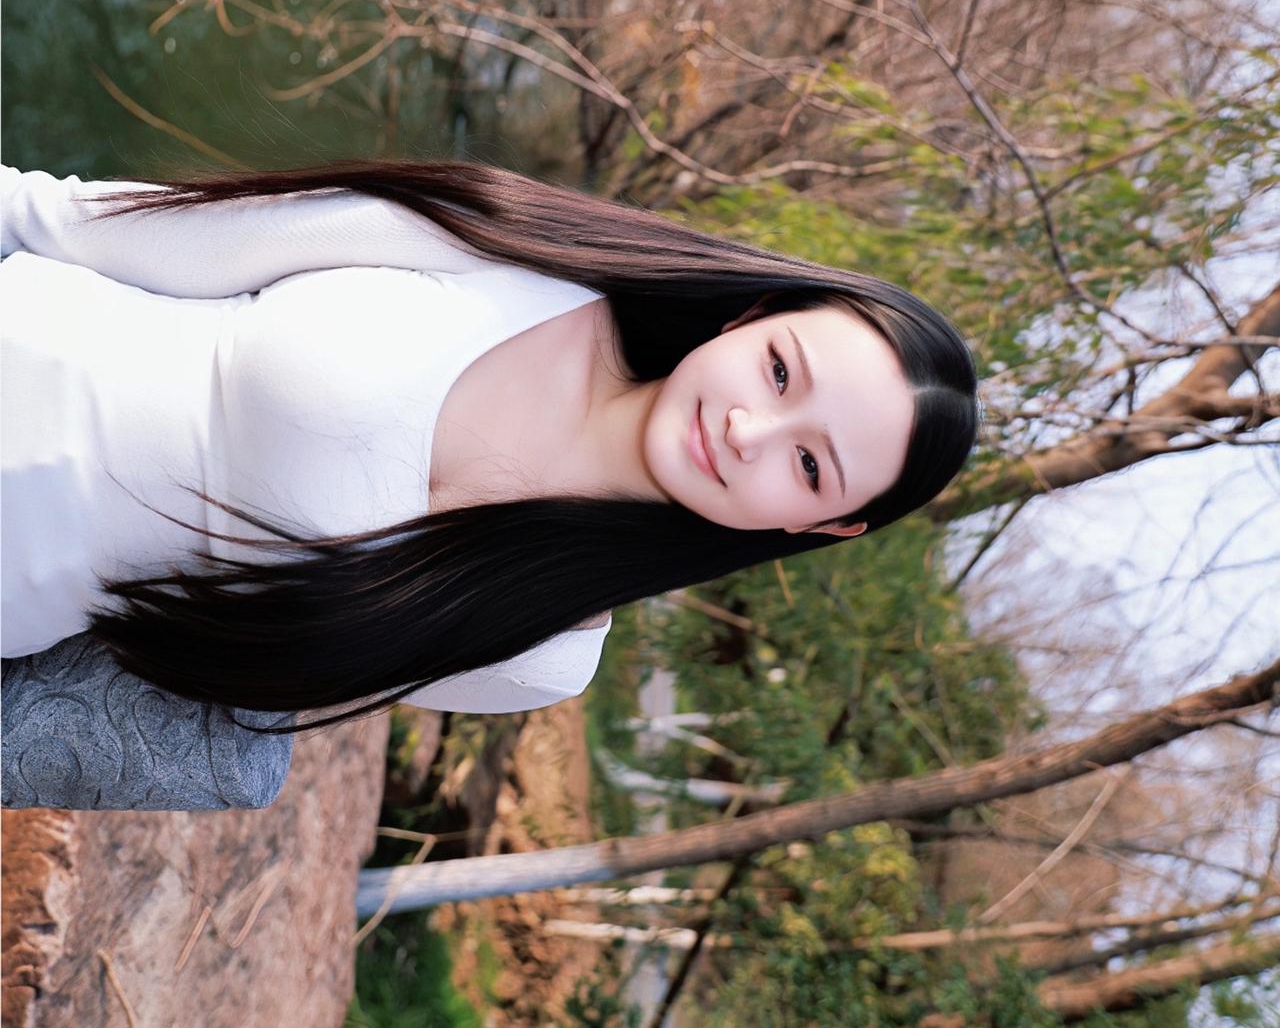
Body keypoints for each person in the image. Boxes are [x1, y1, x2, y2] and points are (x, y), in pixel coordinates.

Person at [1, 156, 981, 735]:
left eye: (807, 465)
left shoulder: (543, 654)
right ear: (753, 314)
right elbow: (98, 225)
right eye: (777, 370)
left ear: (823, 525)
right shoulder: (514, 249)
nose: (747, 430)